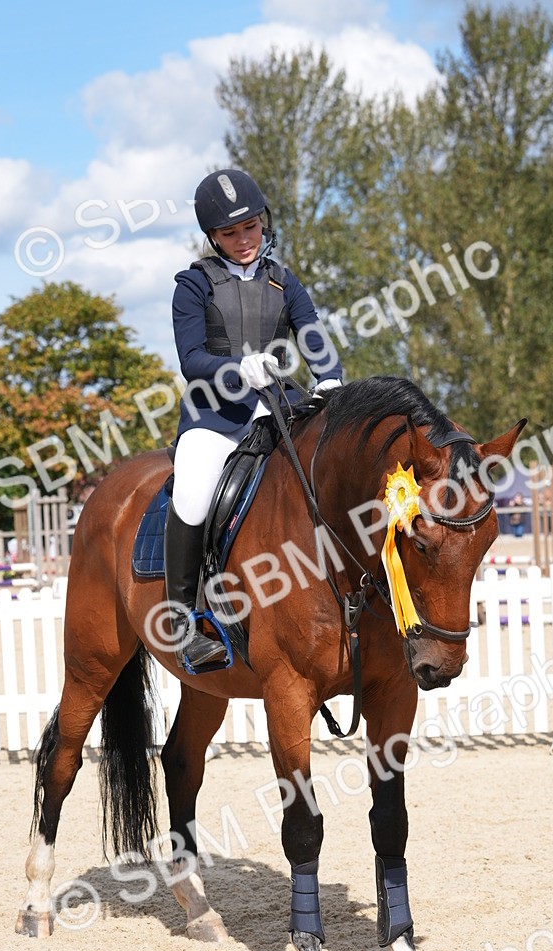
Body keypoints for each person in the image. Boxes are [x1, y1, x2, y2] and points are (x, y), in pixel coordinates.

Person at [167, 168, 344, 669]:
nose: (244, 240)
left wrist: (330, 378)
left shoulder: (283, 281)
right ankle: (182, 621)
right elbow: (190, 358)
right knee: (195, 487)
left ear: (264, 224)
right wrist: (236, 368)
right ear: (212, 237)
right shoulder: (193, 284)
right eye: (229, 233)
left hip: (279, 406)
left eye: (251, 228)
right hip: (214, 414)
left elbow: (312, 337)